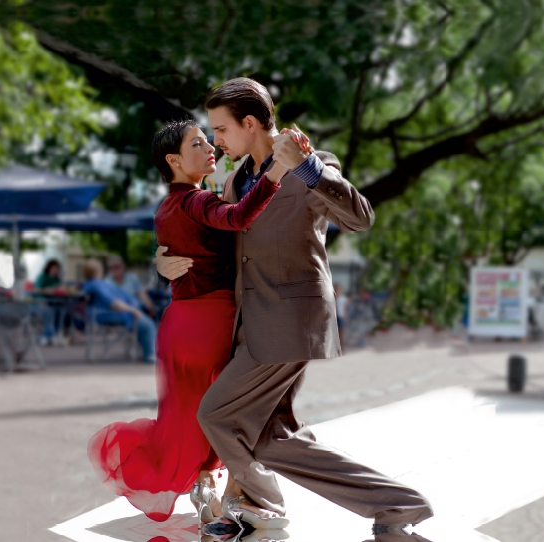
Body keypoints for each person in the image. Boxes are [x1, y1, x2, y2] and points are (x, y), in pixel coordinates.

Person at [157, 77, 433, 536]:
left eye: (222, 130)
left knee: (216, 413)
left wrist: (305, 167)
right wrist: (164, 263)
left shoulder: (313, 163)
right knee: (272, 440)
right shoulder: (234, 181)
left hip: (290, 320)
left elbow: (360, 216)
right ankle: (397, 507)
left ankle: (263, 503)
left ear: (250, 123)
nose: (217, 141)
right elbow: (222, 250)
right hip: (251, 324)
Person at [87, 119, 282, 525]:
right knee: (230, 408)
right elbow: (239, 217)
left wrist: (161, 265)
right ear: (173, 159)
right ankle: (231, 496)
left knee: (188, 415)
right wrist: (277, 173)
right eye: (198, 142)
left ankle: (203, 486)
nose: (209, 145)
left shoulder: (167, 207)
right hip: (209, 321)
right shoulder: (197, 201)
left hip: (180, 323)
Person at [80, 258, 157, 364]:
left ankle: (150, 352)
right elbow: (113, 302)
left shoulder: (93, 284)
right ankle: (150, 354)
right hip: (110, 314)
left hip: (110, 313)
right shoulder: (98, 284)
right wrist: (134, 311)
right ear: (99, 271)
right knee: (145, 323)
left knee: (145, 322)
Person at [34, 259, 65, 345]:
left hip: (53, 301)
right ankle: (46, 335)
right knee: (49, 312)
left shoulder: (56, 279)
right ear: (49, 268)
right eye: (54, 268)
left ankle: (55, 334)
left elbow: (60, 288)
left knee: (61, 310)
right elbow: (36, 289)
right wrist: (46, 290)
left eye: (57, 269)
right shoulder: (43, 276)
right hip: (41, 301)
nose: (55, 270)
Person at [335, 283, 349, 348]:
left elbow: (346, 309)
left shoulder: (343, 299)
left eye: (339, 289)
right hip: (334, 317)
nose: (337, 290)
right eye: (336, 289)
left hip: (341, 317)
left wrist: (346, 317)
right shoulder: (333, 298)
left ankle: (342, 347)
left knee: (342, 332)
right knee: (335, 333)